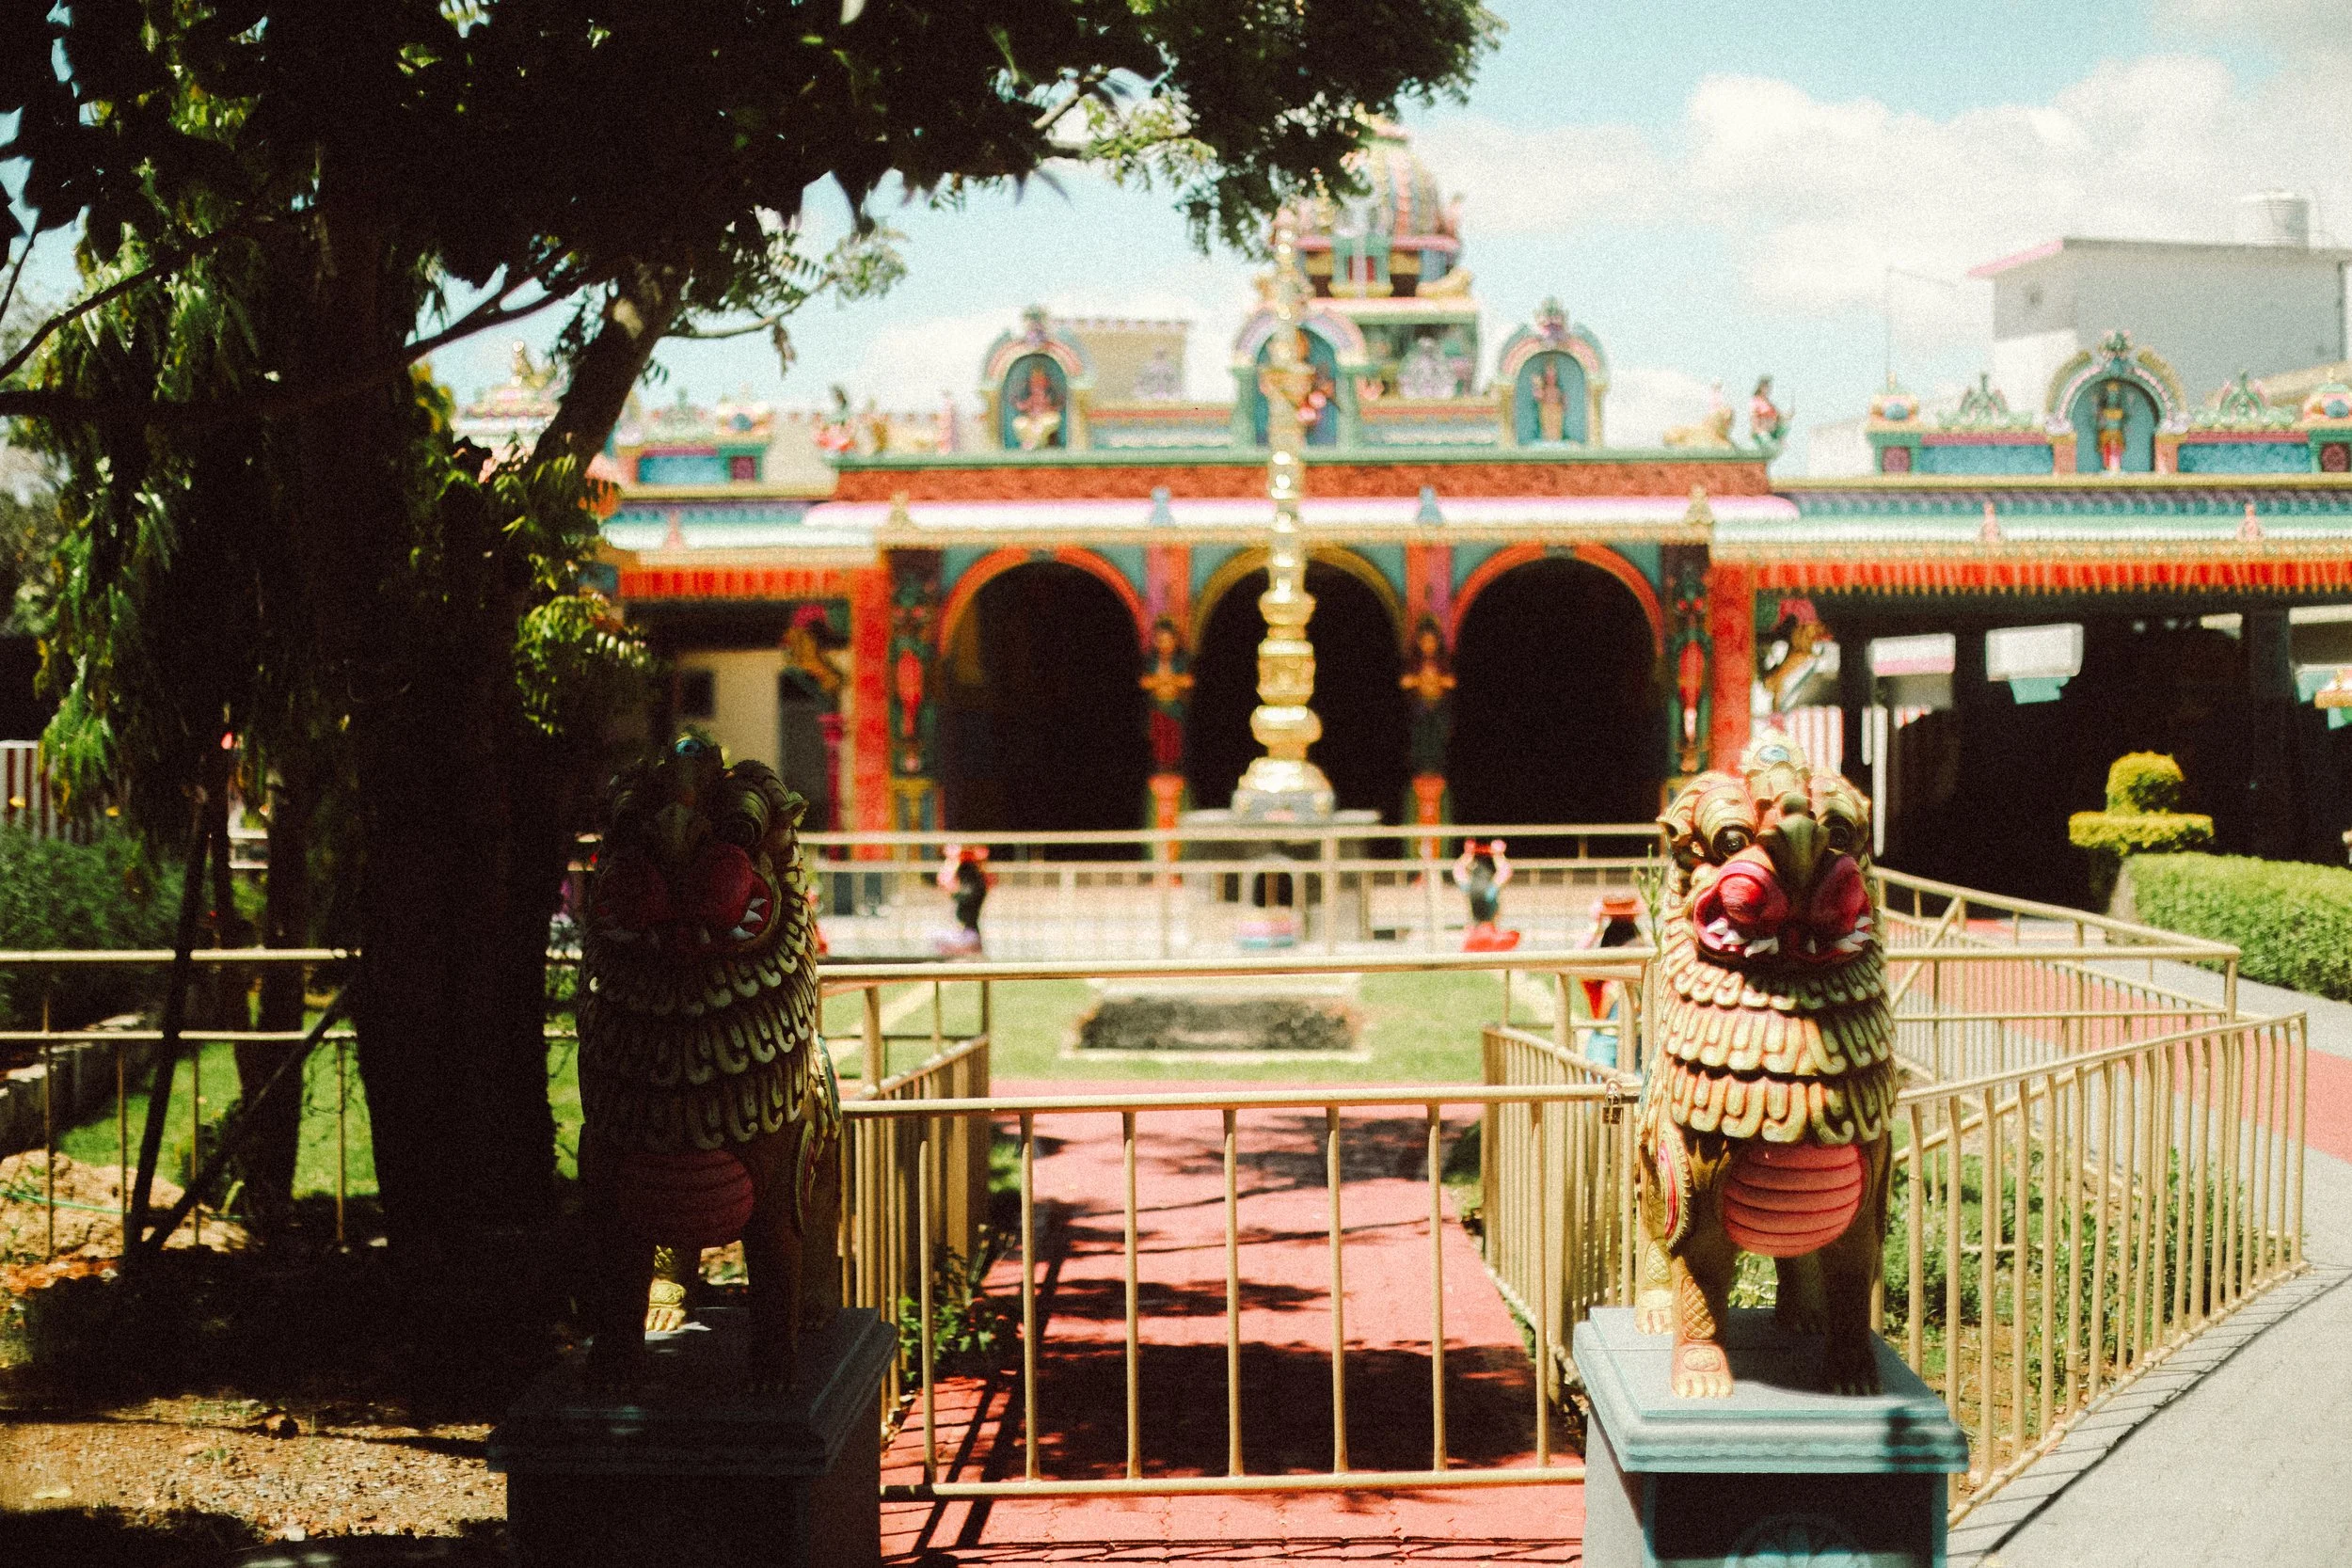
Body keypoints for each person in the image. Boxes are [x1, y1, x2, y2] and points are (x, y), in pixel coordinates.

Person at [1575, 892, 1645, 1067]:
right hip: (1604, 1045)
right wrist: (1594, 926)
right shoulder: (1599, 977)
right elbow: (1575, 959)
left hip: (1635, 1044)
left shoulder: (1642, 976)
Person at [1453, 838, 1519, 952]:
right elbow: (1505, 871)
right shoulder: (1490, 892)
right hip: (1486, 900)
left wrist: (1467, 854)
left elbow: (1458, 869)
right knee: (1493, 890)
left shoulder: (1469, 940)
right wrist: (1498, 855)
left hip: (1479, 906)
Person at [932, 845, 990, 957]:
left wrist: (954, 862)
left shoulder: (976, 884)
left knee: (941, 940)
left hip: (970, 934)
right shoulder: (971, 883)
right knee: (936, 937)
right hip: (963, 932)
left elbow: (964, 896)